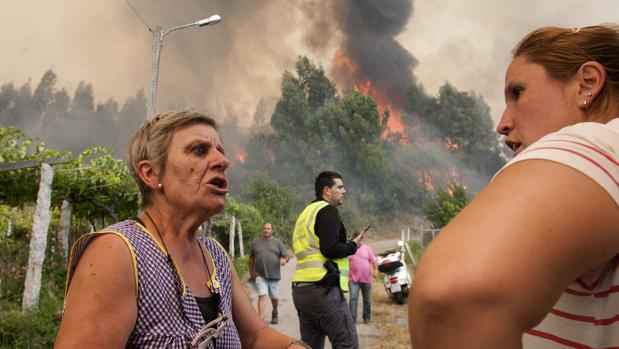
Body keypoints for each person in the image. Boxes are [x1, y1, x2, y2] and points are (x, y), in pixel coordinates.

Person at [409, 24, 619, 348]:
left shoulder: (603, 142)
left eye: (517, 93)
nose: (502, 123)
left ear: (586, 84)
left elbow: (453, 293)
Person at [54, 111, 309, 349]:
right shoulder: (117, 252)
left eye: (220, 151)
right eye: (199, 150)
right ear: (151, 173)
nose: (223, 161)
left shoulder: (215, 255)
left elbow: (255, 336)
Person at [291, 171, 363, 349]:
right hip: (322, 288)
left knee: (311, 346)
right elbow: (330, 248)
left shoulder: (305, 213)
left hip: (301, 291)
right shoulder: (328, 210)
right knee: (347, 344)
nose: (344, 191)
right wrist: (353, 245)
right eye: (339, 187)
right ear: (327, 190)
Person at [249, 222, 291, 324]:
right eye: (264, 228)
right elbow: (251, 259)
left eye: (268, 229)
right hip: (260, 275)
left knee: (274, 298)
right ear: (262, 230)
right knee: (262, 295)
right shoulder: (256, 243)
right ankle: (261, 320)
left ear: (271, 230)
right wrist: (252, 273)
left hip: (274, 276)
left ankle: (275, 311)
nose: (266, 230)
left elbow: (287, 255)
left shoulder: (277, 242)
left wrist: (285, 260)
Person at [348, 242, 378, 324]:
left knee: (367, 300)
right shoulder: (349, 249)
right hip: (353, 280)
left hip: (366, 279)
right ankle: (352, 319)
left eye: (360, 238)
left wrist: (375, 270)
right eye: (357, 239)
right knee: (353, 299)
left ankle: (367, 318)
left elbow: (374, 260)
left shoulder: (367, 248)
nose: (358, 241)